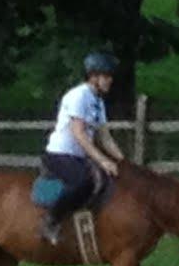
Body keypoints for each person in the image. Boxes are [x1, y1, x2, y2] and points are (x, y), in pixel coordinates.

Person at [38, 51, 125, 244]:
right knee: (83, 182)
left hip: (77, 157)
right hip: (60, 155)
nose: (110, 80)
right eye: (106, 76)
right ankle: (50, 221)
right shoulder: (79, 96)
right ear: (93, 77)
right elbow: (79, 133)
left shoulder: (98, 102)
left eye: (110, 76)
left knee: (106, 178)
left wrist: (122, 162)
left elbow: (105, 137)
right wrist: (102, 160)